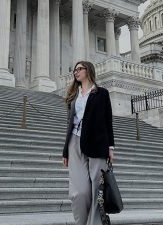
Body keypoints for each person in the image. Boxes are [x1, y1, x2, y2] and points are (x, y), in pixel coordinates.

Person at [62, 61, 115, 225]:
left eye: (79, 69)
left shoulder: (102, 93)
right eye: (74, 70)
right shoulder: (73, 95)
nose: (76, 72)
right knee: (79, 192)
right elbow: (69, 124)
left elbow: (108, 121)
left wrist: (110, 147)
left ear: (88, 71)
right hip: (75, 143)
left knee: (96, 192)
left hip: (97, 144)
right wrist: (65, 151)